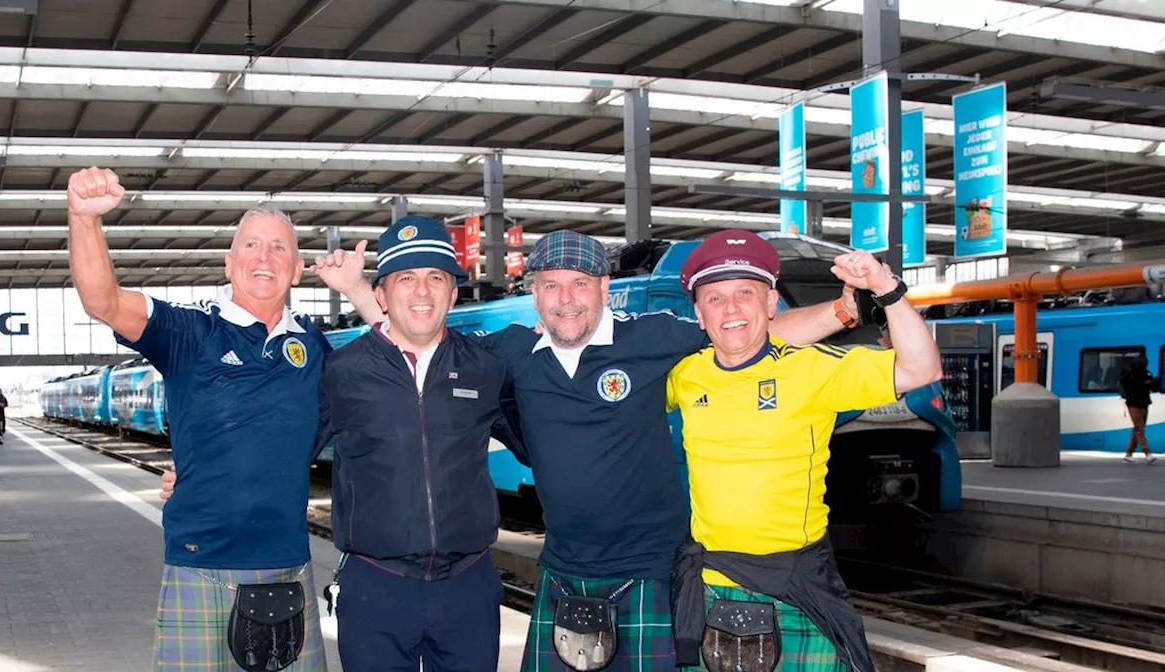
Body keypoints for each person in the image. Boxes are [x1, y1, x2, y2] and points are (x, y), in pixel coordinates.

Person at [277, 228, 859, 670]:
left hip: (652, 573)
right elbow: (415, 331)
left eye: (581, 284)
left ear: (604, 288)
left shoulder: (651, 336)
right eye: (551, 286)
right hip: (564, 570)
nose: (567, 299)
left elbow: (746, 332)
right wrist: (358, 289)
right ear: (534, 295)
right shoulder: (505, 352)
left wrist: (844, 310)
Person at [66, 166, 374, 672]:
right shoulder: (189, 331)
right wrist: (83, 218)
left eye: (279, 248)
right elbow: (103, 301)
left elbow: (402, 366)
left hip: (288, 568)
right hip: (199, 565)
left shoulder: (314, 348)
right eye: (251, 245)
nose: (264, 257)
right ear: (229, 263)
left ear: (297, 270)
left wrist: (360, 292)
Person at [666, 231, 942, 672]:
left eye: (745, 294)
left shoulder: (813, 368)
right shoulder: (685, 374)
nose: (731, 308)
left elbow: (921, 367)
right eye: (715, 299)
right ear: (699, 314)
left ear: (771, 303)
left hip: (794, 583)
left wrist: (886, 289)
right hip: (710, 585)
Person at [314, 215, 528, 671]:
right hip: (376, 586)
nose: (422, 291)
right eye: (405, 278)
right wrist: (199, 483)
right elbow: (284, 455)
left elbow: (541, 447)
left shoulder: (484, 368)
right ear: (381, 295)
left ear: (453, 292)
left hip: (467, 587)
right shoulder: (343, 372)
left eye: (436, 277)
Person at [1119, 354, 1159, 464]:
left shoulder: (1147, 373)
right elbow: (1131, 387)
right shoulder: (1130, 374)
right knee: (1139, 429)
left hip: (1144, 403)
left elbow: (1153, 388)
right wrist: (1143, 384)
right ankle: (1147, 453)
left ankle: (1128, 454)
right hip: (1133, 404)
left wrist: (1153, 383)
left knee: (1137, 429)